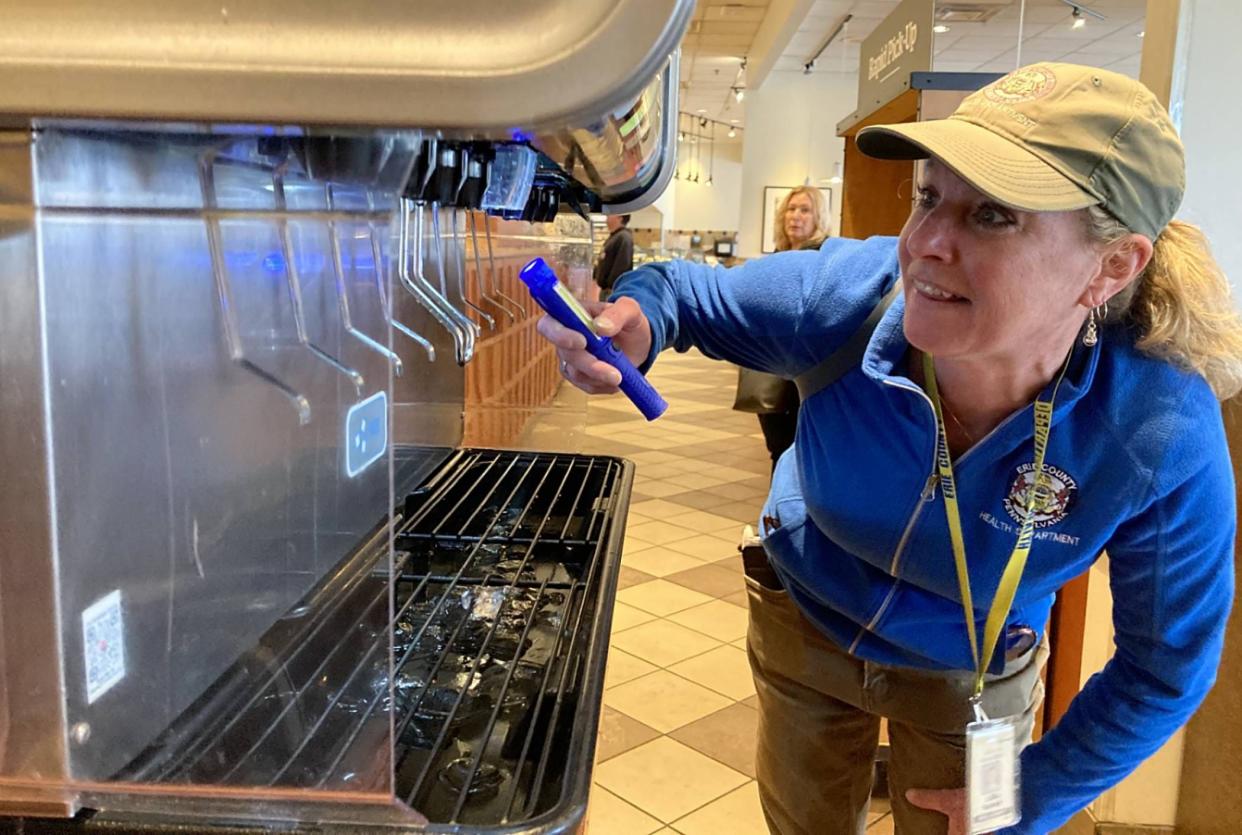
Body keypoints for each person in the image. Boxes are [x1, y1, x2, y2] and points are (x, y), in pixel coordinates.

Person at [538, 63, 1242, 835]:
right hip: (805, 616)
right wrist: (635, 325)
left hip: (974, 666)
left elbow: (1165, 663)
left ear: (1112, 265)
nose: (926, 243)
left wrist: (1036, 790)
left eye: (994, 215)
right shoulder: (849, 296)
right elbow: (682, 293)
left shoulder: (1159, 427)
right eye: (929, 196)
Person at [735, 186, 833, 469]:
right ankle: (779, 510)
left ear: (818, 217)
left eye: (805, 210)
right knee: (778, 448)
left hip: (806, 371)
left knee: (798, 451)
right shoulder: (777, 255)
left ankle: (790, 511)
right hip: (771, 369)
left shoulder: (824, 256)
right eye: (791, 209)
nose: (796, 217)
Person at [592, 213, 634, 296]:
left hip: (612, 291)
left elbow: (622, 265)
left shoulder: (623, 237)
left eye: (610, 215)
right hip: (606, 290)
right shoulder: (615, 236)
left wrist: (612, 286)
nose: (607, 218)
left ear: (620, 217)